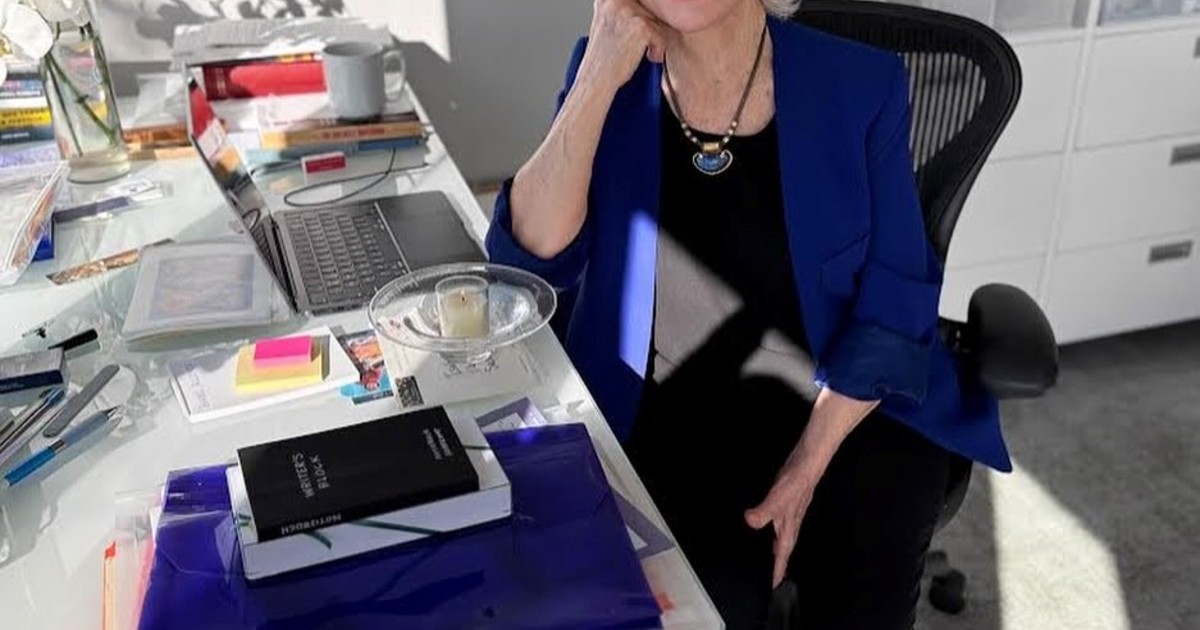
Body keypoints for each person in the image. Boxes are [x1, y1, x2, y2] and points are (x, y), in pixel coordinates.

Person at [486, 0, 1012, 627]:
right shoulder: (607, 71)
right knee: (691, 611)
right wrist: (597, 73)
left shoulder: (862, 84)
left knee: (863, 586)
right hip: (671, 413)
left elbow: (895, 302)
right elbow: (528, 256)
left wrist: (806, 465)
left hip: (846, 406)